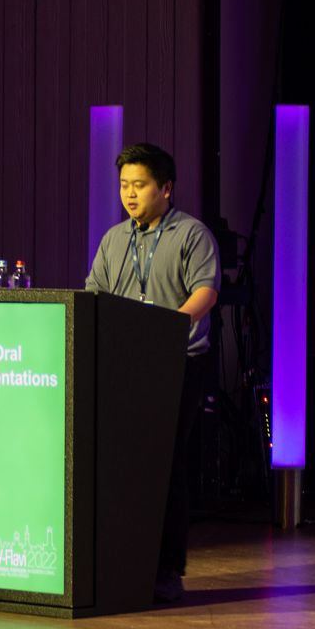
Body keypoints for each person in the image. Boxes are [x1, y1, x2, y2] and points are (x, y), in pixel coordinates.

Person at [84, 143, 221, 603]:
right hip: (122, 366)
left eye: (139, 185)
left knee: (165, 465)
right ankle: (120, 564)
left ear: (166, 188)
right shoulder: (113, 240)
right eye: (124, 185)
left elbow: (205, 292)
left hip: (178, 363)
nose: (129, 194)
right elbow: (94, 294)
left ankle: (167, 569)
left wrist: (167, 329)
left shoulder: (191, 234)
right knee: (119, 466)